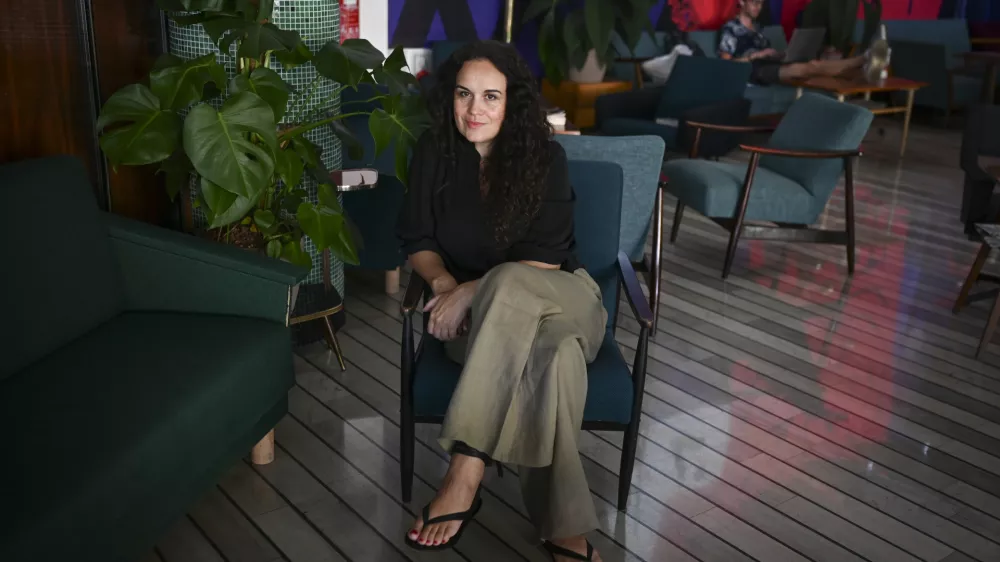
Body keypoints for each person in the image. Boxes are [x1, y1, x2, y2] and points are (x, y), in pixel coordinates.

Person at [396, 40, 607, 562]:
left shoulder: (546, 157)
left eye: (491, 96)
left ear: (513, 102)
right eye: (464, 94)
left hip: (563, 298)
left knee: (511, 281)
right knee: (556, 359)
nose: (475, 109)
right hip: (482, 326)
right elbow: (418, 240)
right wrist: (442, 285)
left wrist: (471, 289)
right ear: (450, 97)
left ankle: (464, 474)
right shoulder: (434, 153)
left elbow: (546, 259)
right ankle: (565, 529)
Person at [719, 0, 886, 85]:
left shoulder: (759, 29)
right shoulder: (731, 28)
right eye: (754, 2)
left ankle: (867, 72)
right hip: (754, 71)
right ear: (741, 2)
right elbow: (725, 65)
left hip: (770, 65)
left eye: (761, 2)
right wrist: (756, 55)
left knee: (818, 68)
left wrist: (778, 54)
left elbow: (767, 54)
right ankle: (865, 58)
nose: (758, 6)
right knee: (810, 68)